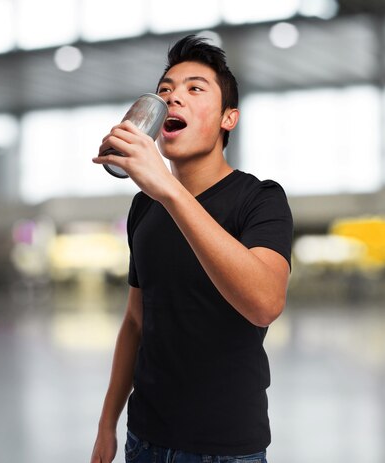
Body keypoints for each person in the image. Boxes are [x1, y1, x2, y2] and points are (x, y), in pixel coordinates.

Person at [89, 35, 293, 463]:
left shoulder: (260, 199)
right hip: (143, 440)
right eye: (165, 90)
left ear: (228, 118)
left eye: (194, 88)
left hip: (226, 448)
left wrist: (169, 191)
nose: (173, 98)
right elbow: (135, 321)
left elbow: (264, 303)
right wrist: (108, 424)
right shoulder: (144, 205)